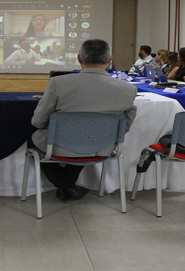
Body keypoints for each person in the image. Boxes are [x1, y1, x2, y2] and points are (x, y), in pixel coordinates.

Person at [30, 39, 137, 201]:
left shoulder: (58, 83)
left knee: (34, 139)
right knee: (82, 138)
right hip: (103, 148)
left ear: (79, 58)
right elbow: (124, 126)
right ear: (110, 59)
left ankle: (64, 184)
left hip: (60, 147)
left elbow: (38, 122)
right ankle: (68, 185)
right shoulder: (128, 89)